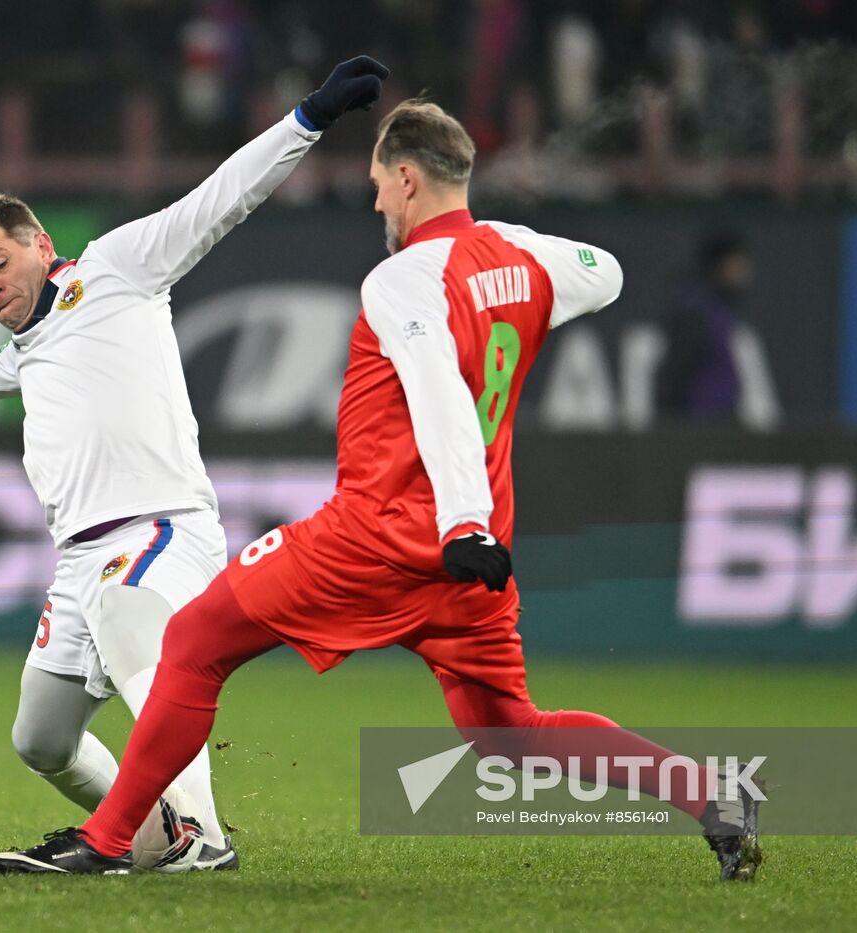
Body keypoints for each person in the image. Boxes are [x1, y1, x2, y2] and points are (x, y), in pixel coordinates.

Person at [45, 99, 763, 881]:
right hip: (474, 559)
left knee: (192, 641)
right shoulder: (522, 260)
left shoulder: (400, 280)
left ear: (410, 178)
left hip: (379, 537)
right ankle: (710, 794)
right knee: (509, 734)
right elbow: (606, 273)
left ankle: (111, 836)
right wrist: (515, 256)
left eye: (382, 184)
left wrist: (459, 521)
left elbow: (438, 388)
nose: (378, 200)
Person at [0, 55, 391, 874]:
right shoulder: (28, 349)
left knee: (135, 624)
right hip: (80, 558)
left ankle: (200, 834)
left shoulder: (118, 270)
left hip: (160, 526)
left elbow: (218, 200)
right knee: (41, 738)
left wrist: (309, 117)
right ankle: (152, 829)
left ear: (40, 245)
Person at [654, 231, 755, 424]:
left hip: (721, 423)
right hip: (701, 429)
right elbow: (674, 375)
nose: (744, 273)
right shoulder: (695, 312)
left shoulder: (718, 309)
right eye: (737, 264)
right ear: (719, 266)